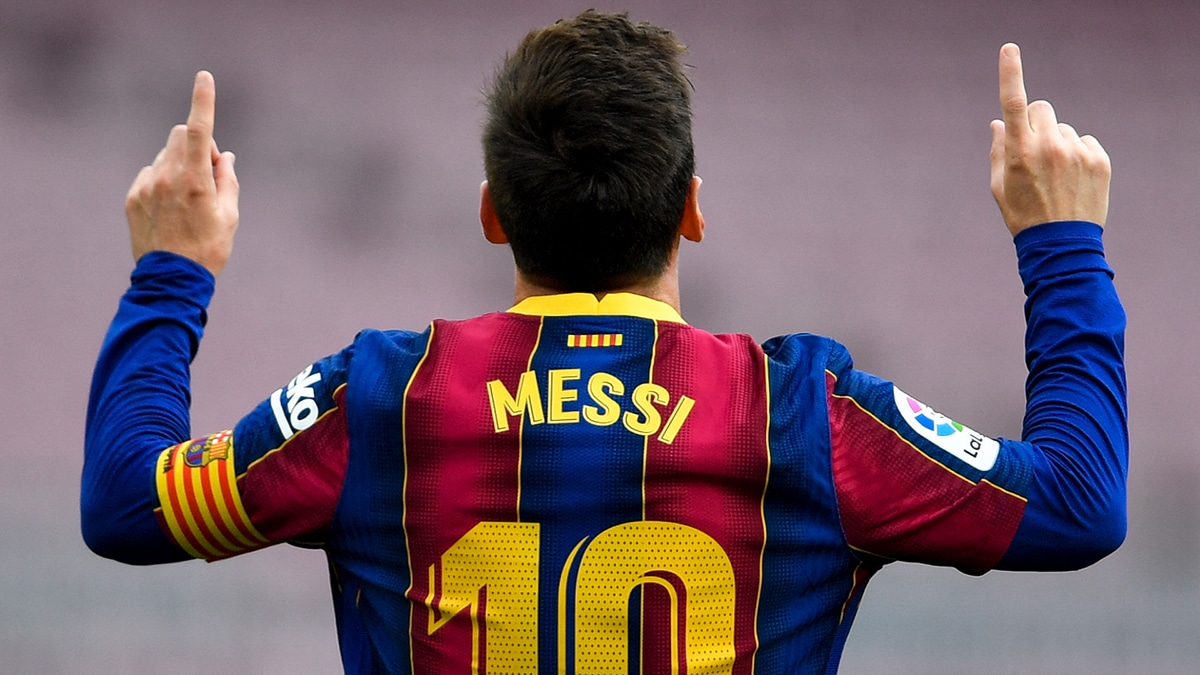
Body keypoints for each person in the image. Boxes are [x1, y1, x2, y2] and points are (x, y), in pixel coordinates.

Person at [82, 10, 1125, 674]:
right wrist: (1063, 244)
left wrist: (174, 268)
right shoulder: (802, 414)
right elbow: (1079, 503)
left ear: (493, 213)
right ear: (694, 211)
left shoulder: (383, 400)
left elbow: (129, 501)